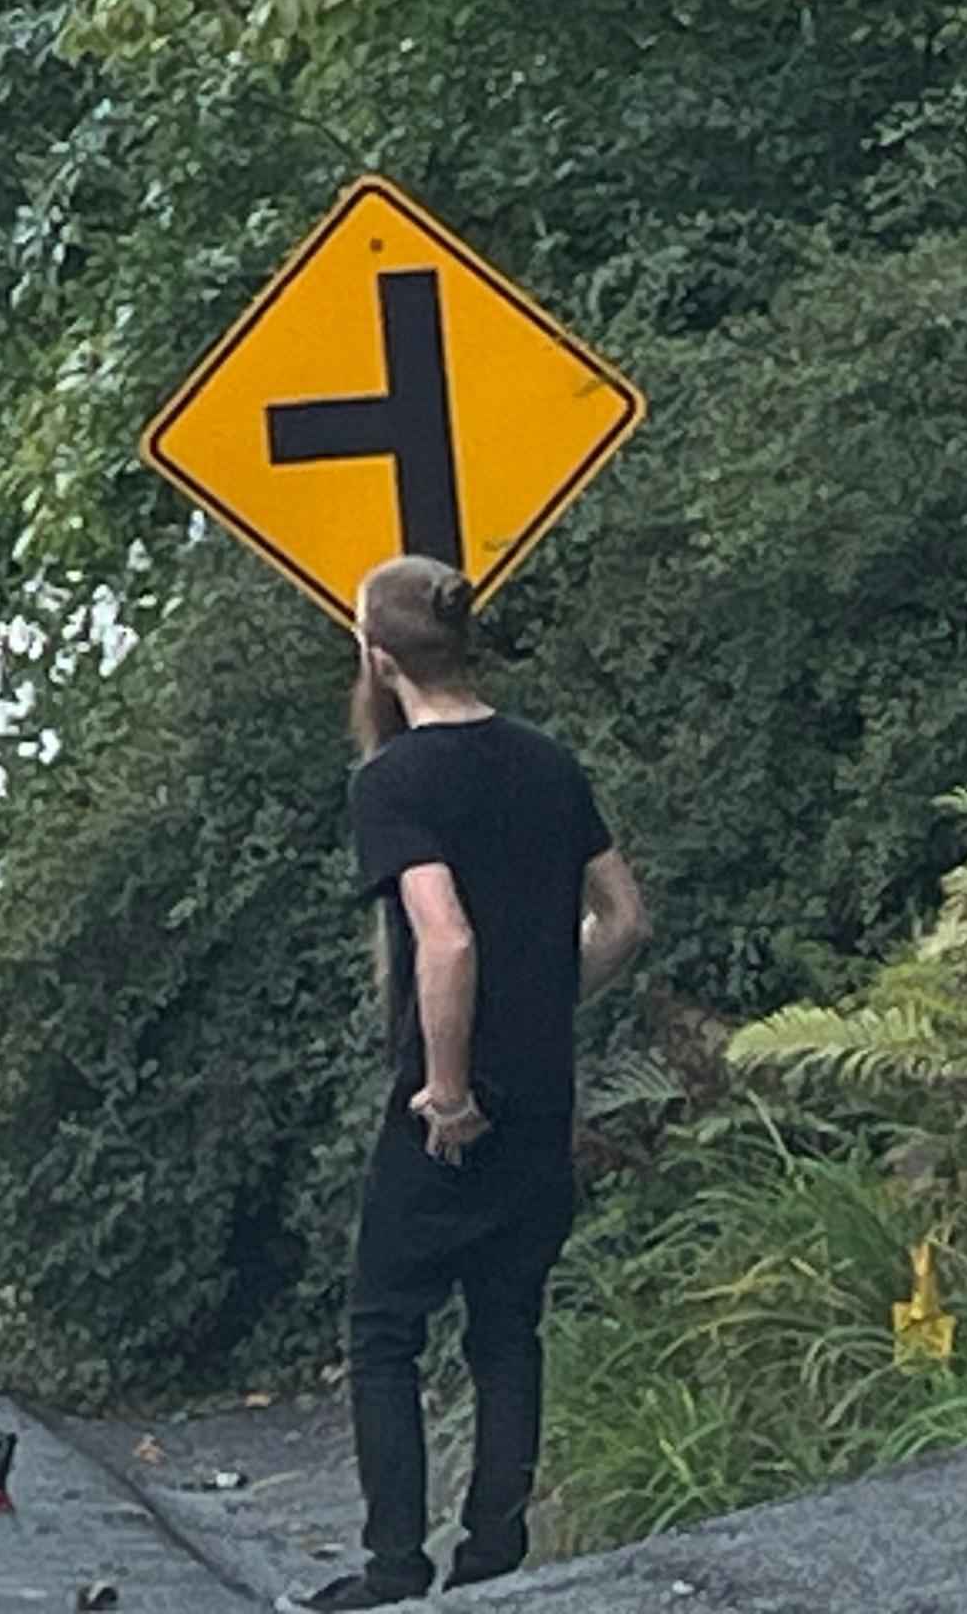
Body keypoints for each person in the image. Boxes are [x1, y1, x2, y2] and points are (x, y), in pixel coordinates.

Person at [300, 554, 650, 1609]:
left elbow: (444, 940)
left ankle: (395, 1569)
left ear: (379, 658)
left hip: (448, 1112)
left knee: (384, 1332)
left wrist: (448, 1089)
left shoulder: (395, 781)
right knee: (507, 1329)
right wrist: (543, 1000)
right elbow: (624, 918)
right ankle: (494, 1560)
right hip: (542, 1097)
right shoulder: (547, 762)